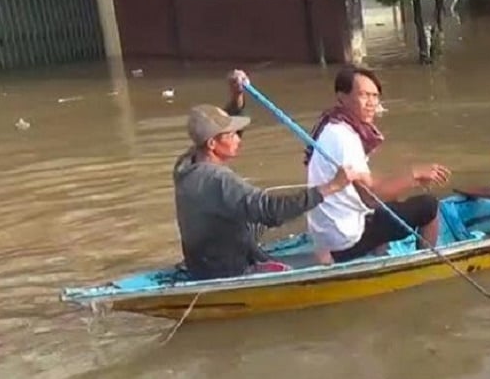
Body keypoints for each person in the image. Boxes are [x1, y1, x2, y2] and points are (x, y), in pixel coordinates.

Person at [173, 71, 361, 281]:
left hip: (202, 263)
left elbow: (214, 136)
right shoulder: (218, 179)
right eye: (232, 135)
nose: (238, 139)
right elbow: (271, 210)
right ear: (211, 144)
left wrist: (237, 98)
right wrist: (332, 186)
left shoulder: (184, 166)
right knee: (325, 258)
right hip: (230, 270)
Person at [305, 65, 451, 263]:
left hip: (327, 235)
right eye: (364, 95)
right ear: (342, 97)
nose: (371, 103)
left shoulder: (331, 126)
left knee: (392, 203)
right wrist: (414, 174)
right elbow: (371, 198)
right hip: (344, 241)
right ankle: (424, 264)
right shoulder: (344, 138)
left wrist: (413, 181)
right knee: (429, 205)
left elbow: (365, 186)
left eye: (375, 96)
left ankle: (379, 254)